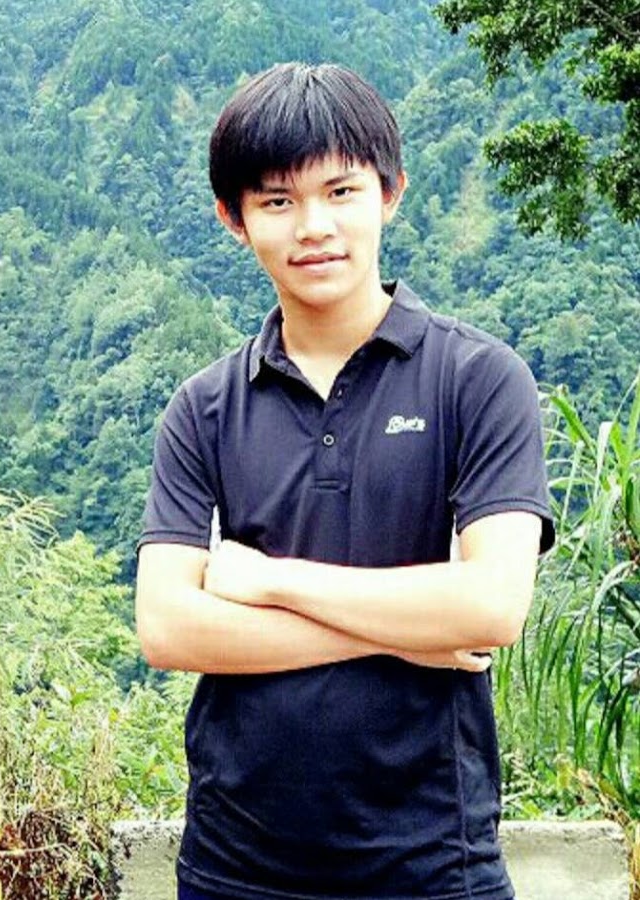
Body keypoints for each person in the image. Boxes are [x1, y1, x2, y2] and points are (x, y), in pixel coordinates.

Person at [135, 62, 554, 900]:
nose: (314, 227)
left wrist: (270, 580)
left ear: (391, 193)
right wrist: (411, 633)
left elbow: (491, 605)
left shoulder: (477, 379)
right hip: (234, 868)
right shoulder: (205, 407)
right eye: (277, 201)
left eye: (341, 191)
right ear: (233, 220)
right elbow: (168, 627)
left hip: (436, 865)